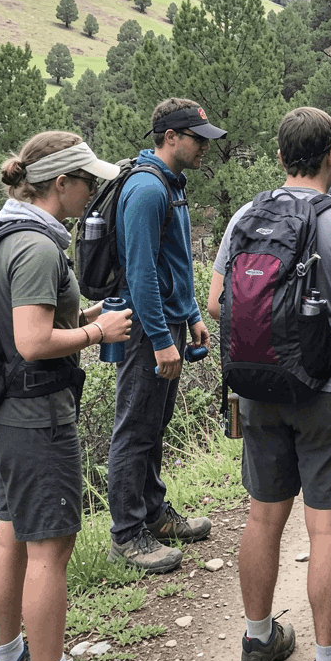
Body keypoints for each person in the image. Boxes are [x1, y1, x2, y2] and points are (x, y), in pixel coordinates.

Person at [207, 106, 331, 661]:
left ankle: (258, 645)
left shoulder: (243, 218)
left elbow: (216, 302)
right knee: (326, 528)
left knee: (263, 518)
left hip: (258, 389)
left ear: (282, 156)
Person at [0, 132, 132, 661]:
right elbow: (33, 340)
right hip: (36, 416)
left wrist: (87, 314)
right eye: (86, 182)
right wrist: (98, 336)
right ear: (60, 184)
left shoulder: (1, 231)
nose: (92, 193)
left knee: (10, 534)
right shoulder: (39, 247)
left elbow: (27, 318)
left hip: (3, 414)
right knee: (49, 549)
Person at [107, 99, 227, 573]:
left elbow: (172, 262)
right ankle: (126, 534)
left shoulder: (171, 186)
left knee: (154, 423)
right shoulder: (147, 190)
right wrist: (160, 338)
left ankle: (153, 514)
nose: (205, 148)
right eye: (198, 138)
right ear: (171, 137)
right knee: (135, 427)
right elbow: (140, 275)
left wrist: (192, 314)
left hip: (170, 322)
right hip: (145, 330)